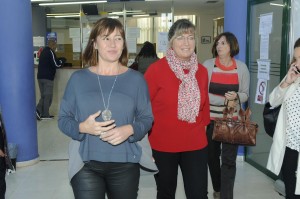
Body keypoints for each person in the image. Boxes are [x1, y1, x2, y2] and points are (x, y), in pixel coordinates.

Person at [58, 17, 154, 199]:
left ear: (124, 44)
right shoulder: (78, 79)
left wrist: (130, 129)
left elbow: (146, 118)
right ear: (94, 44)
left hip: (125, 162)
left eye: (118, 38)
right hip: (85, 163)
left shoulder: (136, 80)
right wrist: (82, 128)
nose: (113, 44)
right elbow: (63, 119)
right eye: (106, 38)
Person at [144, 19, 210, 199]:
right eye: (181, 37)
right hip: (163, 145)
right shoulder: (156, 70)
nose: (186, 43)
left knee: (198, 193)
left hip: (195, 144)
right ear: (171, 41)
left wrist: (201, 131)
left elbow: (204, 109)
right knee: (166, 193)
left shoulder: (202, 72)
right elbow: (142, 107)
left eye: (190, 37)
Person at [202, 32, 250, 199]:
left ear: (231, 46)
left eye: (223, 43)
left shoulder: (241, 67)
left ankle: (226, 196)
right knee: (212, 159)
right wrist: (224, 100)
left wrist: (236, 97)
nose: (219, 46)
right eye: (217, 43)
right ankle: (218, 188)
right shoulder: (208, 65)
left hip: (232, 121)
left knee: (229, 162)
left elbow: (245, 94)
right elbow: (202, 94)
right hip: (211, 121)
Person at [267, 38, 300, 198]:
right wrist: (286, 82)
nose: (297, 63)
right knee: (290, 184)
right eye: (296, 58)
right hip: (289, 143)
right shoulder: (292, 78)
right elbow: (272, 101)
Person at [36, 39, 62, 120]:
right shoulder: (50, 51)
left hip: (40, 77)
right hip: (47, 78)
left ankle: (42, 113)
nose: (56, 47)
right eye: (55, 45)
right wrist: (61, 61)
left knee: (44, 96)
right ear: (53, 45)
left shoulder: (43, 51)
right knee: (48, 97)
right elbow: (56, 64)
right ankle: (39, 112)